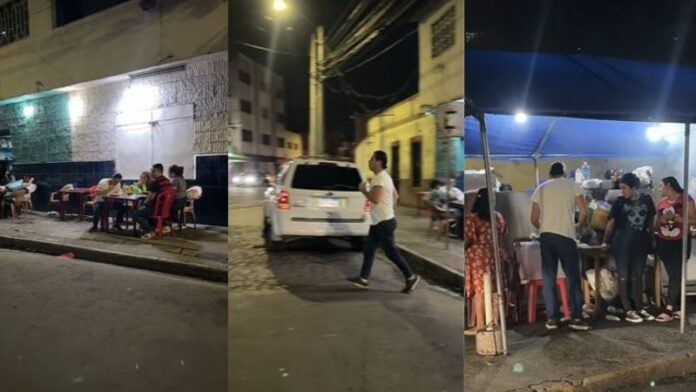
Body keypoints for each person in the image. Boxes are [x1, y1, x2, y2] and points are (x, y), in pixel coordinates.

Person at [348, 151, 420, 293]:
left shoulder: (379, 178)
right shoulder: (385, 177)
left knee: (391, 252)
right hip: (380, 221)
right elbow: (396, 196)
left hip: (383, 223)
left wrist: (363, 190)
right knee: (369, 249)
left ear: (378, 161)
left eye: (371, 159)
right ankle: (363, 279)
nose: (369, 162)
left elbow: (375, 199)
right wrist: (388, 211)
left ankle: (410, 277)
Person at [530, 162, 590, 331]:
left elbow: (534, 218)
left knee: (549, 278)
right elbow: (584, 212)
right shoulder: (573, 186)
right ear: (563, 173)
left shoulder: (541, 188)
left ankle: (552, 318)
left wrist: (542, 228)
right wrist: (577, 226)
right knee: (572, 277)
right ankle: (576, 317)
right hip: (566, 237)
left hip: (546, 237)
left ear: (550, 173)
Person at [601, 173, 656, 323]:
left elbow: (651, 222)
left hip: (641, 244)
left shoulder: (647, 200)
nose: (622, 191)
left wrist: (653, 237)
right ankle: (628, 309)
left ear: (634, 188)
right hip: (621, 245)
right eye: (621, 188)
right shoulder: (618, 202)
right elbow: (611, 223)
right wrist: (606, 241)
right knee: (623, 277)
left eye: (624, 188)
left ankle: (639, 307)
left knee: (637, 277)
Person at [464, 188, 509, 335]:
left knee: (479, 291)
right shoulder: (498, 217)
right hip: (494, 254)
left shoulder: (473, 218)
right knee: (494, 289)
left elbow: (469, 237)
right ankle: (495, 322)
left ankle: (480, 324)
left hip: (477, 256)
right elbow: (503, 234)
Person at [654, 176, 696, 322]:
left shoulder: (686, 200)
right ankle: (676, 306)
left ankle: (670, 306)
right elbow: (656, 223)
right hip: (664, 241)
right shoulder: (661, 203)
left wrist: (676, 218)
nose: (659, 189)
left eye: (661, 185)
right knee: (673, 274)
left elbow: (693, 220)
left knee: (675, 274)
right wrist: (662, 220)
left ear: (669, 185)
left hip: (680, 241)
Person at [135, 163, 172, 240]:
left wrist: (144, 204)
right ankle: (162, 226)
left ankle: (149, 231)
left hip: (156, 208)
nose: (151, 173)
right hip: (165, 209)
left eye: (153, 171)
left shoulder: (156, 182)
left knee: (136, 213)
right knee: (143, 209)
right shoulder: (167, 181)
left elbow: (151, 198)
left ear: (158, 171)